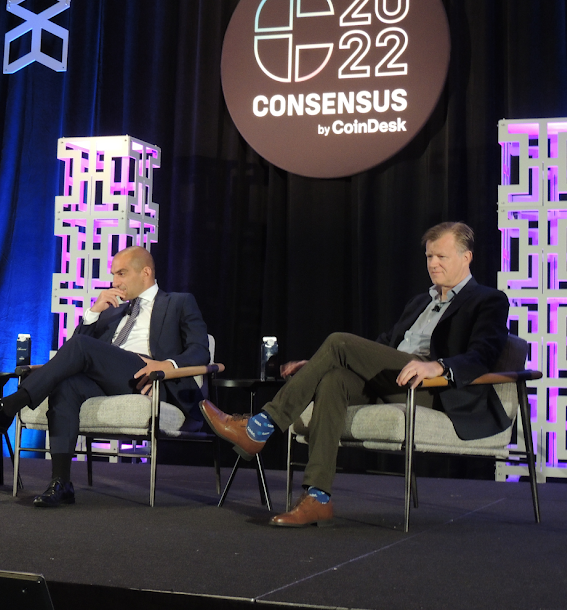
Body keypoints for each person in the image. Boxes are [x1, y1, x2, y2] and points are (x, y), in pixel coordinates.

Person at [201, 222, 510, 527]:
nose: (433, 263)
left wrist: (438, 365)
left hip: (433, 387)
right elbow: (385, 345)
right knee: (332, 379)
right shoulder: (421, 301)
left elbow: (483, 354)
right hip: (395, 376)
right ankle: (318, 498)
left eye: (441, 256)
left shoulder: (488, 300)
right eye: (429, 256)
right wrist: (320, 364)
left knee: (339, 342)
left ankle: (260, 427)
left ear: (466, 257)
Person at [0, 245, 210, 507]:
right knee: (65, 386)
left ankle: (7, 406)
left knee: (80, 347)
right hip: (110, 378)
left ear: (145, 272)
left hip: (149, 379)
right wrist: (94, 312)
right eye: (113, 274)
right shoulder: (114, 311)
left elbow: (200, 350)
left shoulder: (178, 302)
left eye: (121, 273)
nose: (115, 282)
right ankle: (61, 483)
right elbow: (73, 355)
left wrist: (165, 365)